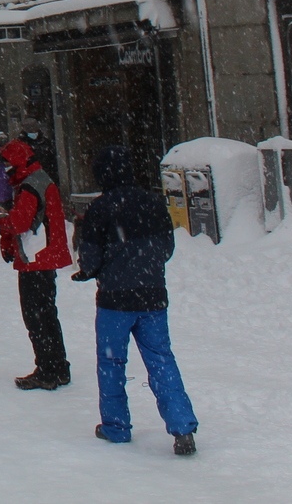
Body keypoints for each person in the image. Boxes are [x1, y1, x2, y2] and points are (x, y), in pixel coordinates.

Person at [74, 145, 198, 454]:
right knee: (161, 359)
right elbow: (166, 248)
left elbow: (89, 258)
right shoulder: (153, 202)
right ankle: (182, 428)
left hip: (114, 301)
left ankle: (116, 427)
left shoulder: (101, 208)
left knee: (112, 363)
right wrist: (145, 267)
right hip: (153, 297)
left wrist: (96, 270)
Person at [0, 138, 72, 390]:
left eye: (7, 164)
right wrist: (8, 241)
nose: (4, 170)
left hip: (36, 258)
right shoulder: (38, 179)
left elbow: (20, 222)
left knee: (35, 316)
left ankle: (46, 370)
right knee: (47, 313)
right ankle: (58, 367)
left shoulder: (30, 185)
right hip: (45, 256)